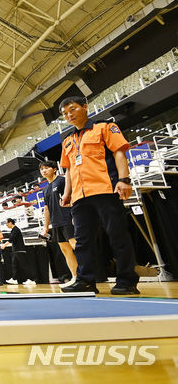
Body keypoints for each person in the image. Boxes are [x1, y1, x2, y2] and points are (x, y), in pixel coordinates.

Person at [58, 96, 139, 295]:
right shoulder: (67, 140)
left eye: (73, 109)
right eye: (65, 113)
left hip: (105, 190)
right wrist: (67, 194)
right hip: (79, 197)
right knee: (83, 240)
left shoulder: (104, 127)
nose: (69, 115)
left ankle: (127, 281)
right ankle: (85, 281)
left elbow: (119, 152)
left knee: (118, 235)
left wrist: (124, 180)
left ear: (85, 107)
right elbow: (68, 170)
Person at [41, 160, 78, 287]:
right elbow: (46, 209)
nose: (44, 171)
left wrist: (74, 215)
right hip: (56, 223)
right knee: (65, 250)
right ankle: (75, 277)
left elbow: (72, 197)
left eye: (46, 168)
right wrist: (46, 226)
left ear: (54, 169)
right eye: (42, 169)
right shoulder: (45, 190)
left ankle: (86, 274)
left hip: (67, 219)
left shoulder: (62, 181)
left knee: (75, 245)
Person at [1, 218, 34, 286]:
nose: (6, 225)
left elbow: (11, 238)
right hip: (16, 250)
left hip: (20, 250)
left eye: (7, 223)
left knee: (24, 265)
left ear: (10, 223)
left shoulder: (16, 229)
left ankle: (31, 280)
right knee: (14, 265)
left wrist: (4, 245)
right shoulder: (13, 230)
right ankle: (14, 279)